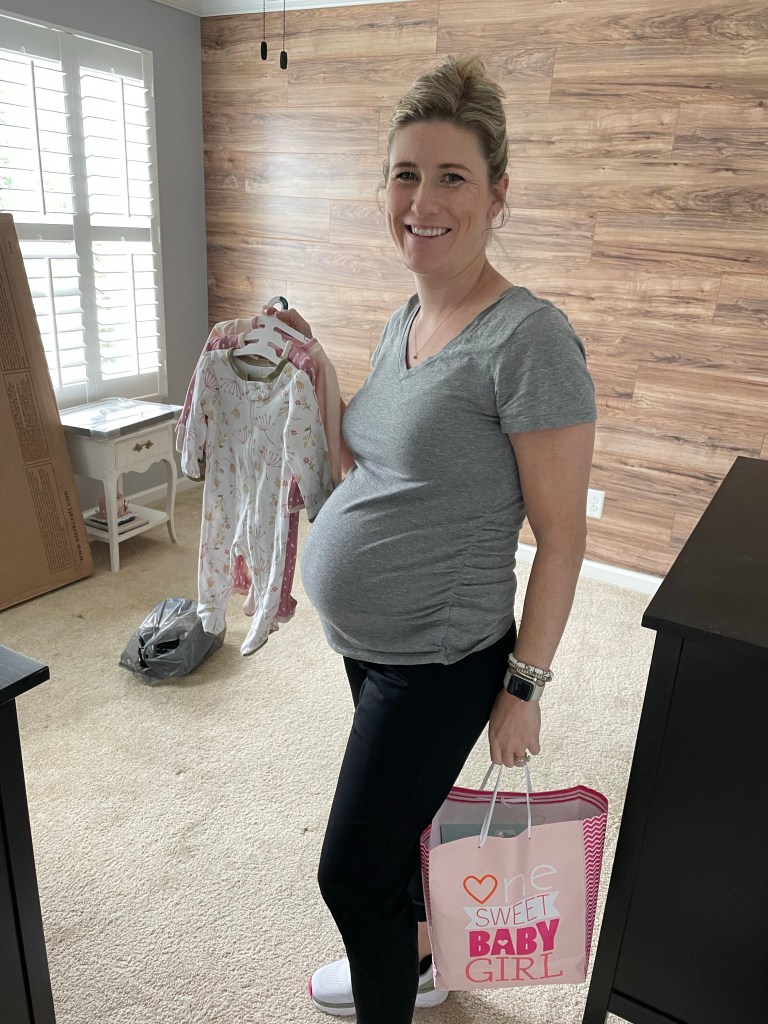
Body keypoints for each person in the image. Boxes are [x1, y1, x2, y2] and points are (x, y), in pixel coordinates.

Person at [266, 55, 596, 1024]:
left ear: (498, 194)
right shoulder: (407, 317)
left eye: (452, 176)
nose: (423, 200)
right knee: (404, 831)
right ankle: (416, 963)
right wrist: (316, 368)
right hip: (372, 643)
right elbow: (369, 461)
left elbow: (563, 537)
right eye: (406, 174)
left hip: (439, 659)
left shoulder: (529, 340)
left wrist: (523, 689)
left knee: (350, 872)